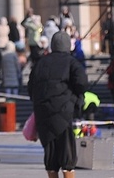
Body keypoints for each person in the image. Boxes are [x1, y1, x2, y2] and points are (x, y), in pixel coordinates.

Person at [28, 32, 88, 178]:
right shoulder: (71, 62)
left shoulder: (40, 63)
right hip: (63, 113)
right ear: (68, 45)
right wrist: (75, 99)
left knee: (50, 157)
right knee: (67, 157)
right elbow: (82, 83)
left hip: (43, 114)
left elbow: (30, 88)